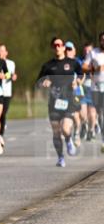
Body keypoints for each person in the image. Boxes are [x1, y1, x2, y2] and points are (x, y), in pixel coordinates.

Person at [37, 37, 80, 167]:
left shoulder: (73, 63)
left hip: (68, 100)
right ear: (52, 47)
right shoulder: (48, 65)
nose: (57, 47)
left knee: (66, 129)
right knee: (56, 132)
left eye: (59, 45)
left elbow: (82, 75)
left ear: (63, 47)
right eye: (55, 45)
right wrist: (43, 82)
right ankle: (60, 157)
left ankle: (68, 139)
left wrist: (77, 83)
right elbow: (38, 82)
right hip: (54, 103)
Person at [0, 42, 18, 148]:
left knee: (2, 114)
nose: (0, 52)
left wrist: (12, 76)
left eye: (2, 50)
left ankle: (0, 136)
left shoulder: (11, 63)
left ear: (6, 53)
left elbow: (11, 74)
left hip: (6, 92)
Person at [78, 42, 98, 142]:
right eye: (85, 50)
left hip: (94, 88)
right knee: (82, 113)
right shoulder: (79, 61)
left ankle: (91, 130)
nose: (86, 52)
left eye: (89, 51)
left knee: (92, 113)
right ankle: (84, 124)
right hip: (82, 89)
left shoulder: (96, 60)